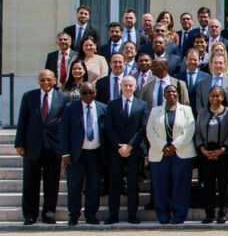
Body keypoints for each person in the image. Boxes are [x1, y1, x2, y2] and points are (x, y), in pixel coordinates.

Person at [16, 70, 68, 225]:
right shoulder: (29, 96)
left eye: (48, 80)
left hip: (54, 147)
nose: (46, 83)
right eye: (42, 80)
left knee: (52, 182)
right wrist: (19, 143)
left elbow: (65, 124)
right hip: (33, 145)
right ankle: (30, 215)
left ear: (54, 81)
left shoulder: (63, 98)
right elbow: (22, 120)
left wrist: (65, 148)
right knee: (30, 182)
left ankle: (49, 213)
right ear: (38, 81)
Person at [145, 83, 195, 225]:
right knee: (160, 186)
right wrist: (163, 147)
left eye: (173, 92)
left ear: (178, 94)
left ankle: (179, 215)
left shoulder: (186, 110)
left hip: (182, 153)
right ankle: (163, 216)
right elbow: (150, 131)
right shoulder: (155, 111)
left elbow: (190, 130)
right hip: (160, 153)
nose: (171, 94)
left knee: (181, 185)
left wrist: (174, 146)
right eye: (168, 92)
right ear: (164, 95)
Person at [59, 81, 107, 226]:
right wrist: (65, 154)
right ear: (79, 94)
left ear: (95, 93)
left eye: (90, 93)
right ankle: (73, 215)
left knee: (94, 186)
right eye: (84, 93)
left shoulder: (103, 108)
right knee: (74, 186)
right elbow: (64, 131)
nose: (87, 96)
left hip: (96, 154)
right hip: (76, 155)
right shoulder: (70, 108)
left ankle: (91, 215)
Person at [105, 75, 148, 225]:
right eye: (125, 85)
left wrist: (130, 146)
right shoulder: (112, 104)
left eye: (131, 85)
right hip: (116, 151)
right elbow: (109, 127)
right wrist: (120, 146)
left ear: (136, 87)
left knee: (132, 184)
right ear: (121, 87)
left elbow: (143, 128)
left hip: (134, 151)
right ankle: (113, 215)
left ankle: (132, 215)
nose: (128, 88)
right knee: (114, 183)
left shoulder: (142, 105)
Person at [196, 85, 228, 224]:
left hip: (223, 152)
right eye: (212, 96)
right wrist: (203, 150)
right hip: (206, 152)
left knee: (223, 184)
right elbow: (198, 132)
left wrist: (223, 149)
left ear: (223, 97)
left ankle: (222, 213)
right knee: (209, 184)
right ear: (208, 97)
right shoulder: (202, 112)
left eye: (218, 96)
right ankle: (209, 213)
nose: (215, 98)